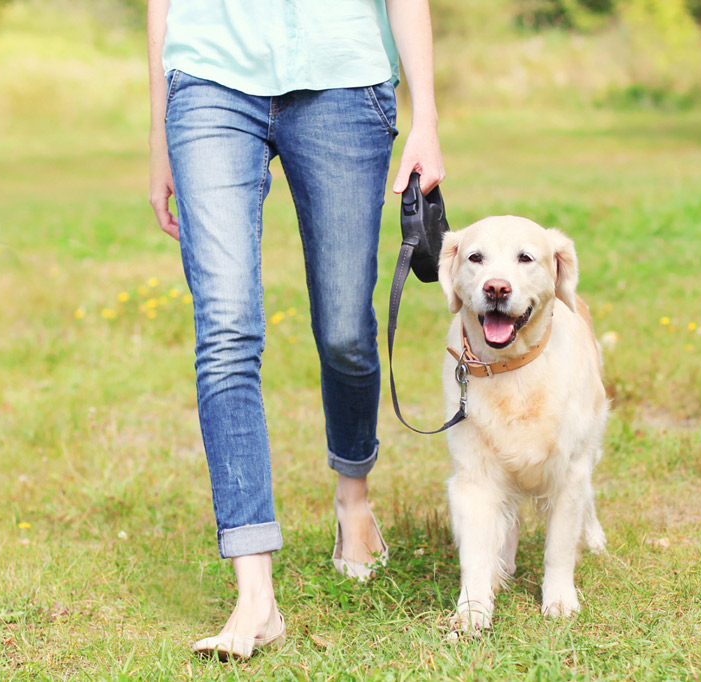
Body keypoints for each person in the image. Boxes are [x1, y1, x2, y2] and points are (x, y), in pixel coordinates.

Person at [146, 0, 444, 660]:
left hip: (342, 76)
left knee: (344, 328)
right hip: (209, 78)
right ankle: (256, 596)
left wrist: (427, 116)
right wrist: (159, 131)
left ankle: (353, 497)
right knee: (224, 330)